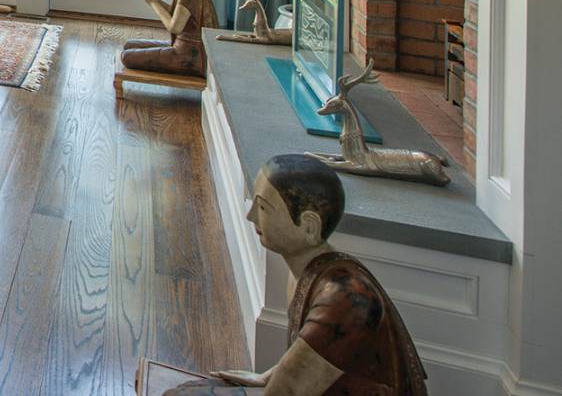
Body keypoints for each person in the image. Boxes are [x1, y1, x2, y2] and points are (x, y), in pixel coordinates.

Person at [162, 154, 429, 395]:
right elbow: (317, 357)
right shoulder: (316, 272)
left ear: (309, 226)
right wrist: (269, 377)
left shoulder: (344, 301)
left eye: (264, 208)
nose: (250, 216)